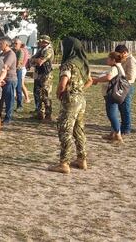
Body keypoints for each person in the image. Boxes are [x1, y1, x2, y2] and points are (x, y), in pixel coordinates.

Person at [49, 37, 93, 174]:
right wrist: (79, 90)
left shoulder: (69, 64)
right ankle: (82, 159)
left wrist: (60, 92)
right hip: (81, 99)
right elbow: (90, 80)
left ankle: (64, 163)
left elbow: (63, 83)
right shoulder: (83, 63)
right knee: (78, 129)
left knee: (65, 130)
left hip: (70, 100)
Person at [92, 52, 125, 143]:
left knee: (112, 115)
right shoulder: (119, 67)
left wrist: (97, 80)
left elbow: (109, 77)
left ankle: (118, 136)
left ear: (113, 60)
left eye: (108, 58)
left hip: (111, 94)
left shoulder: (114, 68)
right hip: (115, 94)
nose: (107, 60)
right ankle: (113, 134)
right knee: (113, 114)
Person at [115, 45, 136, 136]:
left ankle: (126, 128)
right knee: (121, 107)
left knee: (126, 107)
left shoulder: (131, 61)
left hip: (127, 86)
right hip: (121, 85)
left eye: (120, 54)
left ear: (125, 53)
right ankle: (123, 126)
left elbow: (131, 76)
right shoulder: (123, 59)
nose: (119, 56)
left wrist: (119, 76)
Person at [31, 35, 54, 120]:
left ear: (46, 42)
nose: (40, 43)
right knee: (38, 94)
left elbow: (40, 61)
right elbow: (31, 59)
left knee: (46, 95)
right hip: (39, 73)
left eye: (42, 41)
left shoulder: (48, 50)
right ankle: (40, 113)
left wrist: (34, 60)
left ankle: (48, 114)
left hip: (46, 75)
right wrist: (34, 60)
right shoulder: (41, 50)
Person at [0, 37, 18, 124]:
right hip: (2, 79)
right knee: (0, 99)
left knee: (8, 99)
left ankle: (8, 117)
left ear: (6, 44)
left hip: (9, 79)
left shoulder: (11, 54)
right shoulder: (2, 53)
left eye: (1, 43)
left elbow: (5, 66)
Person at [15, 38, 31, 110]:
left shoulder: (21, 51)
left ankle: (20, 105)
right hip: (15, 70)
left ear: (20, 44)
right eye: (13, 43)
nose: (14, 45)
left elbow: (19, 63)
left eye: (16, 44)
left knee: (19, 87)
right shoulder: (15, 51)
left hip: (19, 70)